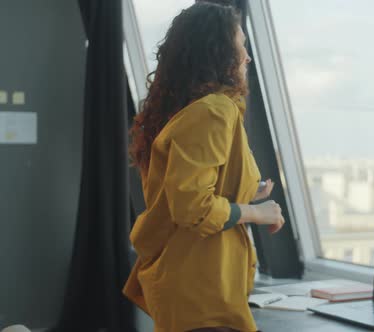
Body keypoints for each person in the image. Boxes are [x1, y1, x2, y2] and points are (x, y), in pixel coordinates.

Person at [123, 2, 285, 331]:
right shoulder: (214, 111)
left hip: (190, 288)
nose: (248, 57)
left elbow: (181, 192)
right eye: (241, 46)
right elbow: (192, 209)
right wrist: (259, 212)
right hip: (202, 292)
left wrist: (245, 190)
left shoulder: (185, 111)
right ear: (219, 53)